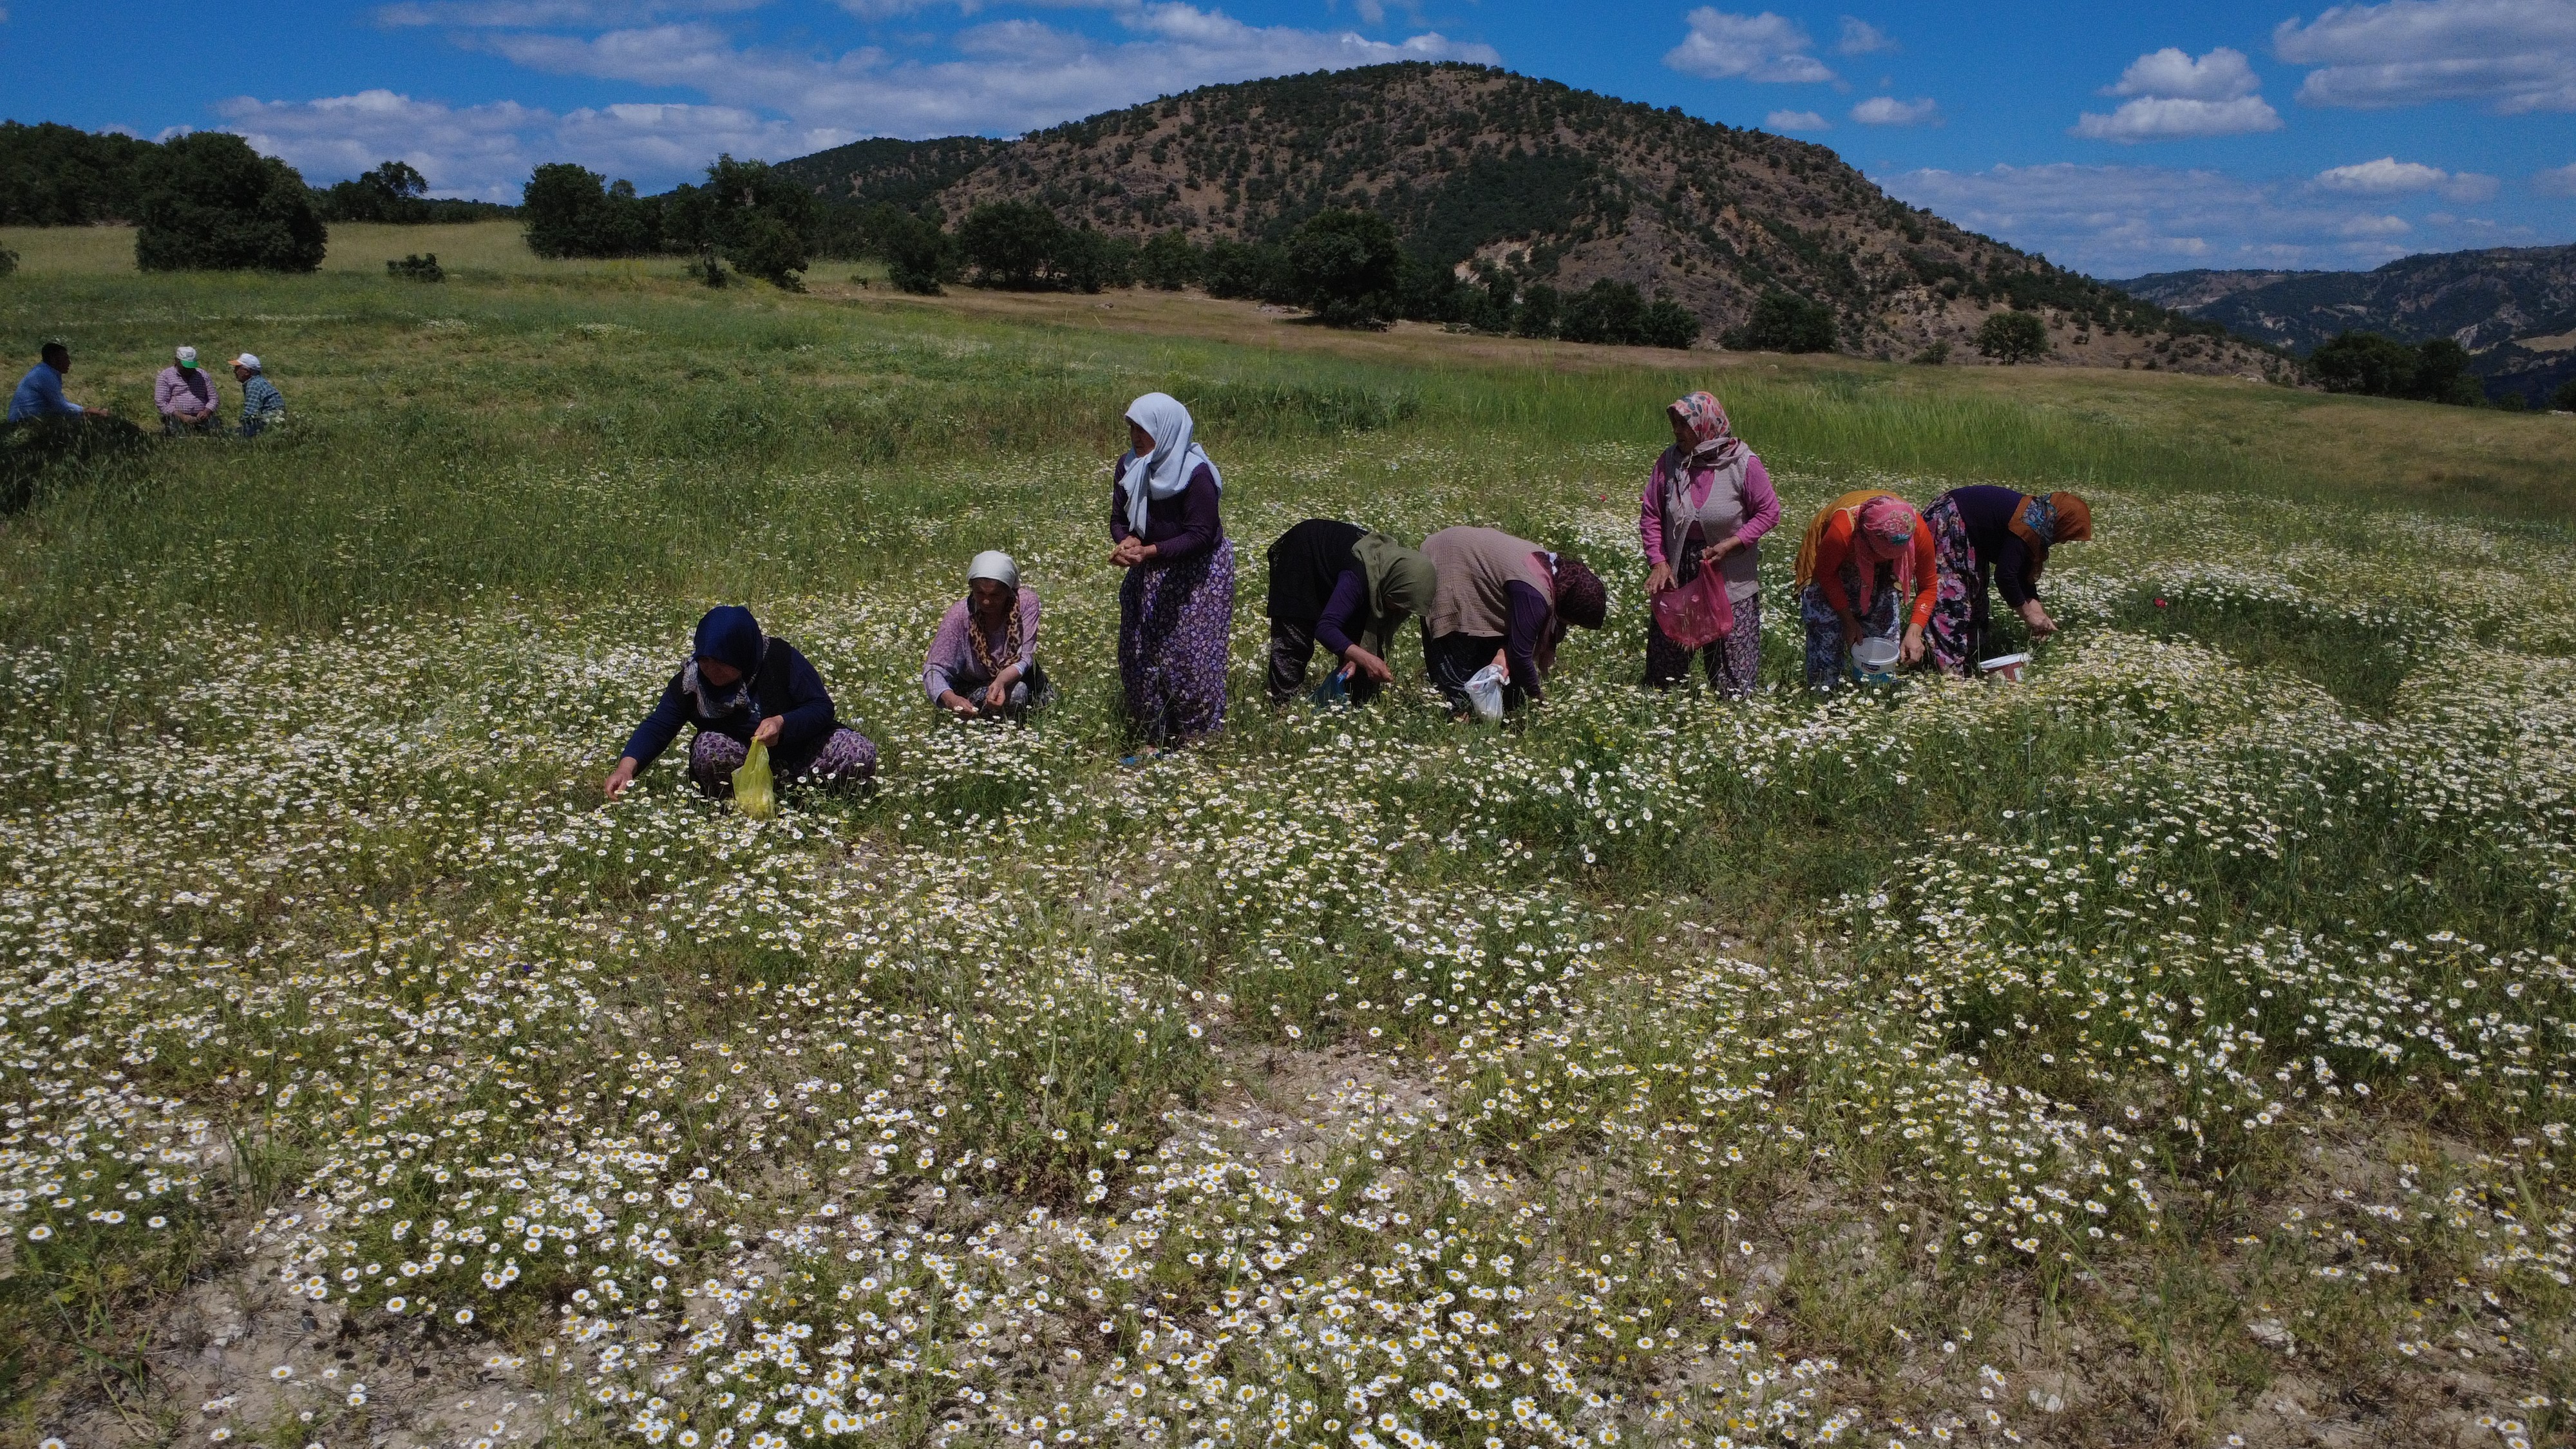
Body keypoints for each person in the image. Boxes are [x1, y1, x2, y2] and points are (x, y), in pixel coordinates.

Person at [603, 605, 876, 800]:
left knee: (856, 751)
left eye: (723, 663)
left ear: (743, 654)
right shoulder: (691, 681)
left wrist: (783, 723)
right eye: (706, 661)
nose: (712, 671)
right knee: (708, 746)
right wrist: (626, 769)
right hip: (741, 763)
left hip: (801, 754)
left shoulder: (780, 660)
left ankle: (813, 798)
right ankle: (739, 802)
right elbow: (659, 725)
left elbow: (821, 707)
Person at [1110, 392, 1234, 750]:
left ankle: (1197, 738)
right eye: (1132, 427)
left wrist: (1149, 551)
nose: (1135, 436)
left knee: (1191, 656)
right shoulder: (1130, 466)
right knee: (1139, 651)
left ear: (1166, 430)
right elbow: (1119, 519)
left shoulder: (1195, 475)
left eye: (1144, 429)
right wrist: (1127, 542)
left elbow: (1201, 534)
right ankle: (1157, 735)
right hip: (1150, 569)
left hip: (1198, 575)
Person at [1641, 391, 1780, 696]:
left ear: (1705, 425)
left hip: (1729, 573)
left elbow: (1769, 512)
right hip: (1678, 573)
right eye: (1675, 423)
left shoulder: (1742, 463)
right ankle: (1665, 711)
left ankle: (1731, 712)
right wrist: (1658, 561)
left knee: (1731, 660)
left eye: (1684, 425)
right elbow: (1651, 513)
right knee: (1667, 666)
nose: (1677, 431)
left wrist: (1733, 543)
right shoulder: (1669, 462)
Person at [1418, 526, 1607, 715]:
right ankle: (1457, 716)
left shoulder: (1551, 572)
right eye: (1573, 621)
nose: (1571, 626)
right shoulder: (1535, 595)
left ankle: (1491, 714)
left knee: (1491, 665)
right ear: (1569, 607)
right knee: (1455, 656)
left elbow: (1516, 642)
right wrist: (1537, 697)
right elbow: (1520, 655)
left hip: (1465, 552)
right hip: (1450, 558)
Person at [1263, 518, 1438, 705]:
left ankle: (1354, 705)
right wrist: (1363, 657)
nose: (1397, 611)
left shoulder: (1384, 573)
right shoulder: (1359, 576)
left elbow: (1364, 629)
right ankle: (1282, 706)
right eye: (1397, 602)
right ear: (1394, 584)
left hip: (1336, 568)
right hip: (1301, 558)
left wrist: (1355, 655)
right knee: (1295, 639)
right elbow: (1326, 628)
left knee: (1363, 668)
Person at [1923, 487, 2094, 674]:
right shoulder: (2028, 526)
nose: (2063, 542)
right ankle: (1950, 672)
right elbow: (2005, 576)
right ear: (2062, 523)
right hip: (1950, 521)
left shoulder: (2038, 522)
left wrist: (2037, 611)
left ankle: (1972, 663)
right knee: (1954, 599)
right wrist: (2028, 615)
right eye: (2067, 535)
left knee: (1975, 596)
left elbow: (2021, 572)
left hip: (1966, 531)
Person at [1794, 491, 1937, 689]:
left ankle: (1874, 695)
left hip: (1885, 574)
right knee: (1826, 634)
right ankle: (1824, 695)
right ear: (1863, 537)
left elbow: (1929, 586)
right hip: (1833, 566)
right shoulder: (1844, 530)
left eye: (1893, 556)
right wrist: (1848, 620)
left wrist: (1914, 632)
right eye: (1879, 554)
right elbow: (1826, 574)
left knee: (1882, 642)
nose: (1885, 559)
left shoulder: (1916, 530)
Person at [925, 551, 1049, 719]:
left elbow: (1025, 657)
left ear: (1008, 591)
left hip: (1019, 676)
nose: (986, 601)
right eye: (980, 593)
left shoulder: (1025, 604)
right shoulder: (960, 616)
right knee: (1015, 695)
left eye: (994, 595)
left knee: (1035, 701)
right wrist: (950, 699)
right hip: (974, 684)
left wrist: (1000, 681)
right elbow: (934, 669)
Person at [7, 342, 96, 424]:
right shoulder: (45, 375)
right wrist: (89, 410)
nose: (69, 363)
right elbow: (61, 407)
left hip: (25, 418)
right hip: (23, 421)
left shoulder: (45, 371)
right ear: (53, 360)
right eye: (65, 358)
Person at [155, 346, 223, 435]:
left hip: (202, 416)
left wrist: (206, 411)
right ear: (177, 361)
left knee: (216, 433)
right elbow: (161, 402)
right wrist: (181, 416)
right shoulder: (165, 376)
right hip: (176, 417)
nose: (188, 370)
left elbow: (214, 398)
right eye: (185, 367)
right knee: (179, 434)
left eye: (191, 367)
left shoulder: (203, 375)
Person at [231, 354, 284, 438]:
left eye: (237, 368)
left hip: (269, 420)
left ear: (247, 372)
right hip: (276, 418)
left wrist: (240, 424)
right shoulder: (259, 381)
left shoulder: (253, 385)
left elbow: (251, 412)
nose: (235, 371)